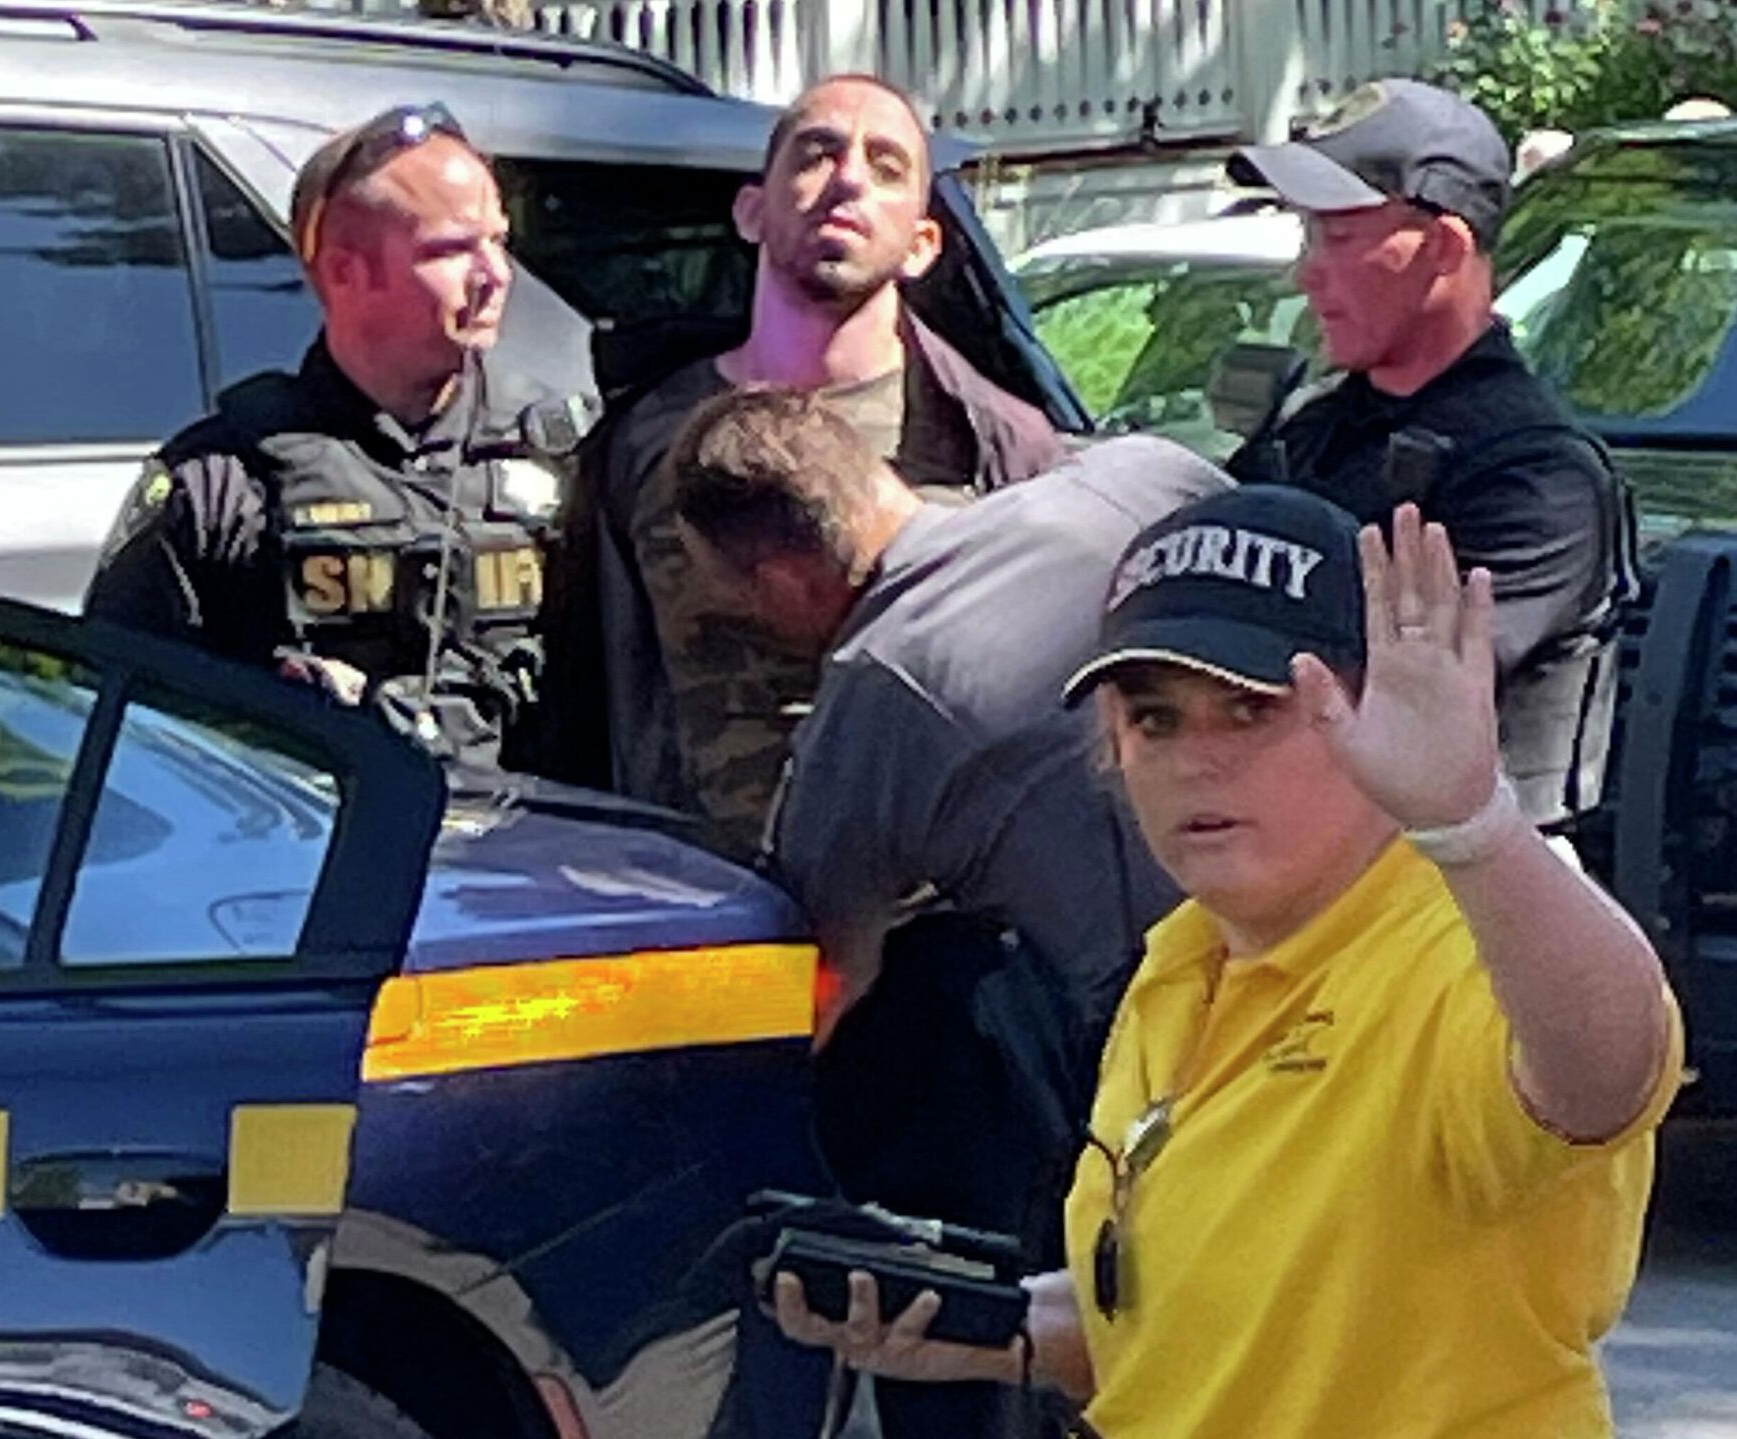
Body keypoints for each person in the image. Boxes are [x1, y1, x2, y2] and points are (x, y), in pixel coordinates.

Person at [770, 484, 1683, 1439]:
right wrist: (987, 1329)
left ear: (1377, 713)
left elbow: (1611, 1068)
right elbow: (1191, 1310)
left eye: (1249, 709)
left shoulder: (1461, 948)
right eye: (1154, 718)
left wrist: (1475, 824)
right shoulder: (1184, 958)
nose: (1195, 758)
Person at [672, 389, 1218, 1438]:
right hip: (1353, 924)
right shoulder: (1131, 477)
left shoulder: (873, 690)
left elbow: (824, 981)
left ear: (784, 579)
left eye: (734, 596)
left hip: (1169, 1037)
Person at [554, 74, 1064, 856]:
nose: (849, 179)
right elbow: (590, 697)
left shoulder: (997, 445)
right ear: (751, 211)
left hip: (929, 909)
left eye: (886, 166)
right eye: (817, 154)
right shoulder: (643, 439)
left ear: (923, 245)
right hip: (699, 898)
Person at [1225, 78, 1637, 831]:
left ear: (1444, 247)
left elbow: (1385, 705)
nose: (1306, 272)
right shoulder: (1313, 423)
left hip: (1463, 878)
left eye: (1339, 237)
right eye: (1309, 235)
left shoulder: (1536, 479)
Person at [85, 104, 523, 759]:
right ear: (346, 271)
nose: (496, 274)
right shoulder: (223, 480)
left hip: (531, 824)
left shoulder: (559, 456)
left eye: (499, 240)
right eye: (452, 249)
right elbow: (131, 730)